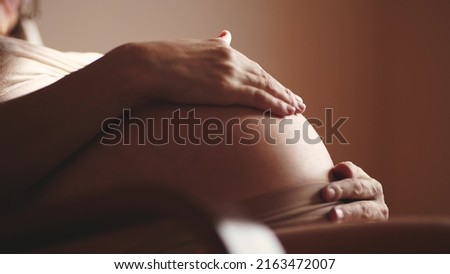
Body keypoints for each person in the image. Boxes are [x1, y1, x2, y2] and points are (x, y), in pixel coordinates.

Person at [0, 0, 391, 252]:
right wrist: (138, 66)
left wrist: (338, 194)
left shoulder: (52, 59)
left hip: (288, 241)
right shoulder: (122, 67)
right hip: (207, 240)